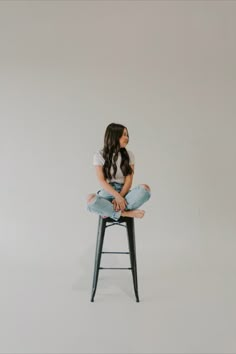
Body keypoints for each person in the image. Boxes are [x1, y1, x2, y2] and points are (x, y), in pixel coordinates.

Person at [86, 123, 151, 221]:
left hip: (124, 193)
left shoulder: (129, 155)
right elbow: (102, 181)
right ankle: (126, 214)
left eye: (127, 135)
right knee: (90, 199)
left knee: (145, 189)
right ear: (114, 136)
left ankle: (109, 211)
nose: (127, 138)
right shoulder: (99, 155)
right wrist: (116, 196)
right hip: (107, 193)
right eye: (124, 134)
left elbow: (128, 182)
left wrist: (120, 197)